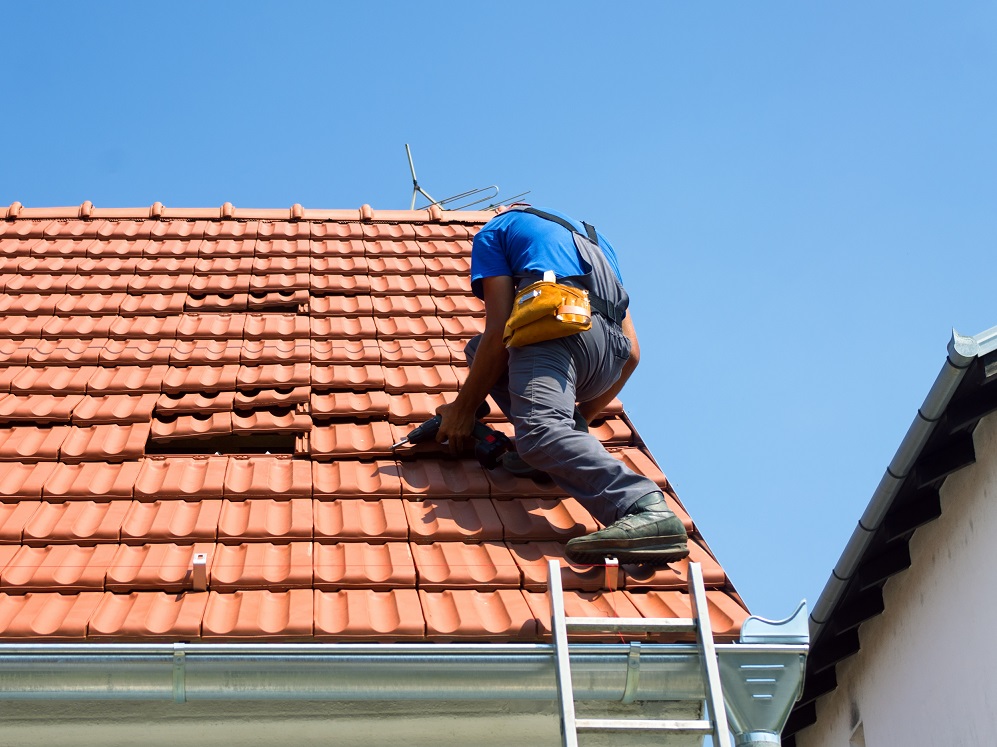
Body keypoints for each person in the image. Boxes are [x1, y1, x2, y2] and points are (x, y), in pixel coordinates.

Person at [434, 205, 690, 564]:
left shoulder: (493, 232)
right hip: (607, 359)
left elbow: (498, 332)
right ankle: (557, 449)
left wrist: (462, 409)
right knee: (479, 352)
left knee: (538, 432)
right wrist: (580, 418)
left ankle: (644, 507)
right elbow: (632, 354)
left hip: (558, 331)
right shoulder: (597, 242)